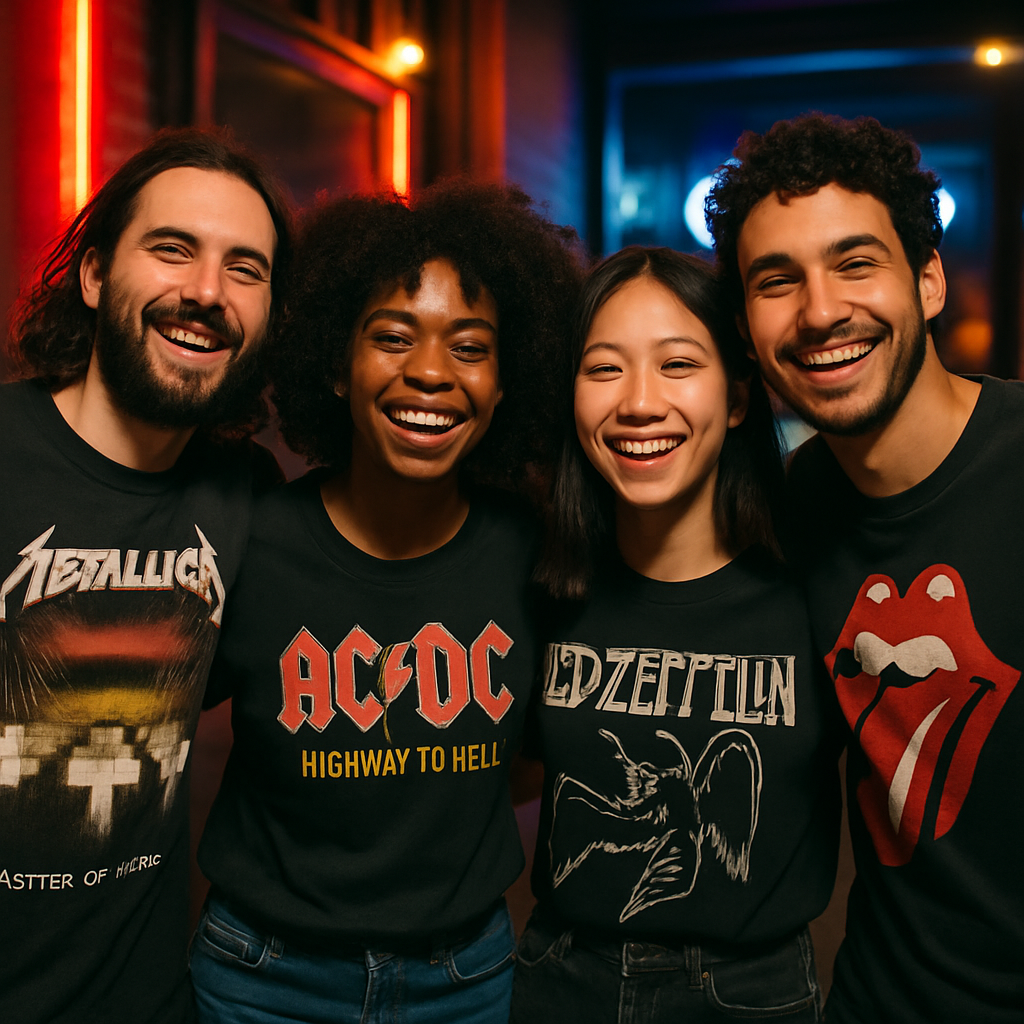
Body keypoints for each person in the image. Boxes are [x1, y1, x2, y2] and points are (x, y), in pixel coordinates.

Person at [188, 180, 585, 1024]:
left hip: (465, 978)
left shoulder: (534, 549)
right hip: (262, 977)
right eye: (392, 337)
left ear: (509, 381)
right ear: (336, 363)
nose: (431, 373)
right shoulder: (252, 540)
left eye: (470, 347)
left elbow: (534, 759)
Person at [708, 112, 1024, 1023]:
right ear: (745, 324)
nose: (819, 311)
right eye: (777, 281)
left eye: (855, 263)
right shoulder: (785, 508)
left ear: (927, 281)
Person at [0, 127, 292, 1024]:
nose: (207, 292)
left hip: (147, 998)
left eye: (246, 268)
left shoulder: (246, 497)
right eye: (174, 250)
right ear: (94, 277)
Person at [510, 247, 842, 1024]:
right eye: (603, 369)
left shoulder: (818, 581)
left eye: (678, 364)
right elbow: (511, 778)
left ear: (735, 399)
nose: (639, 403)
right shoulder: (540, 581)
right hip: (559, 977)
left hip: (751, 990)